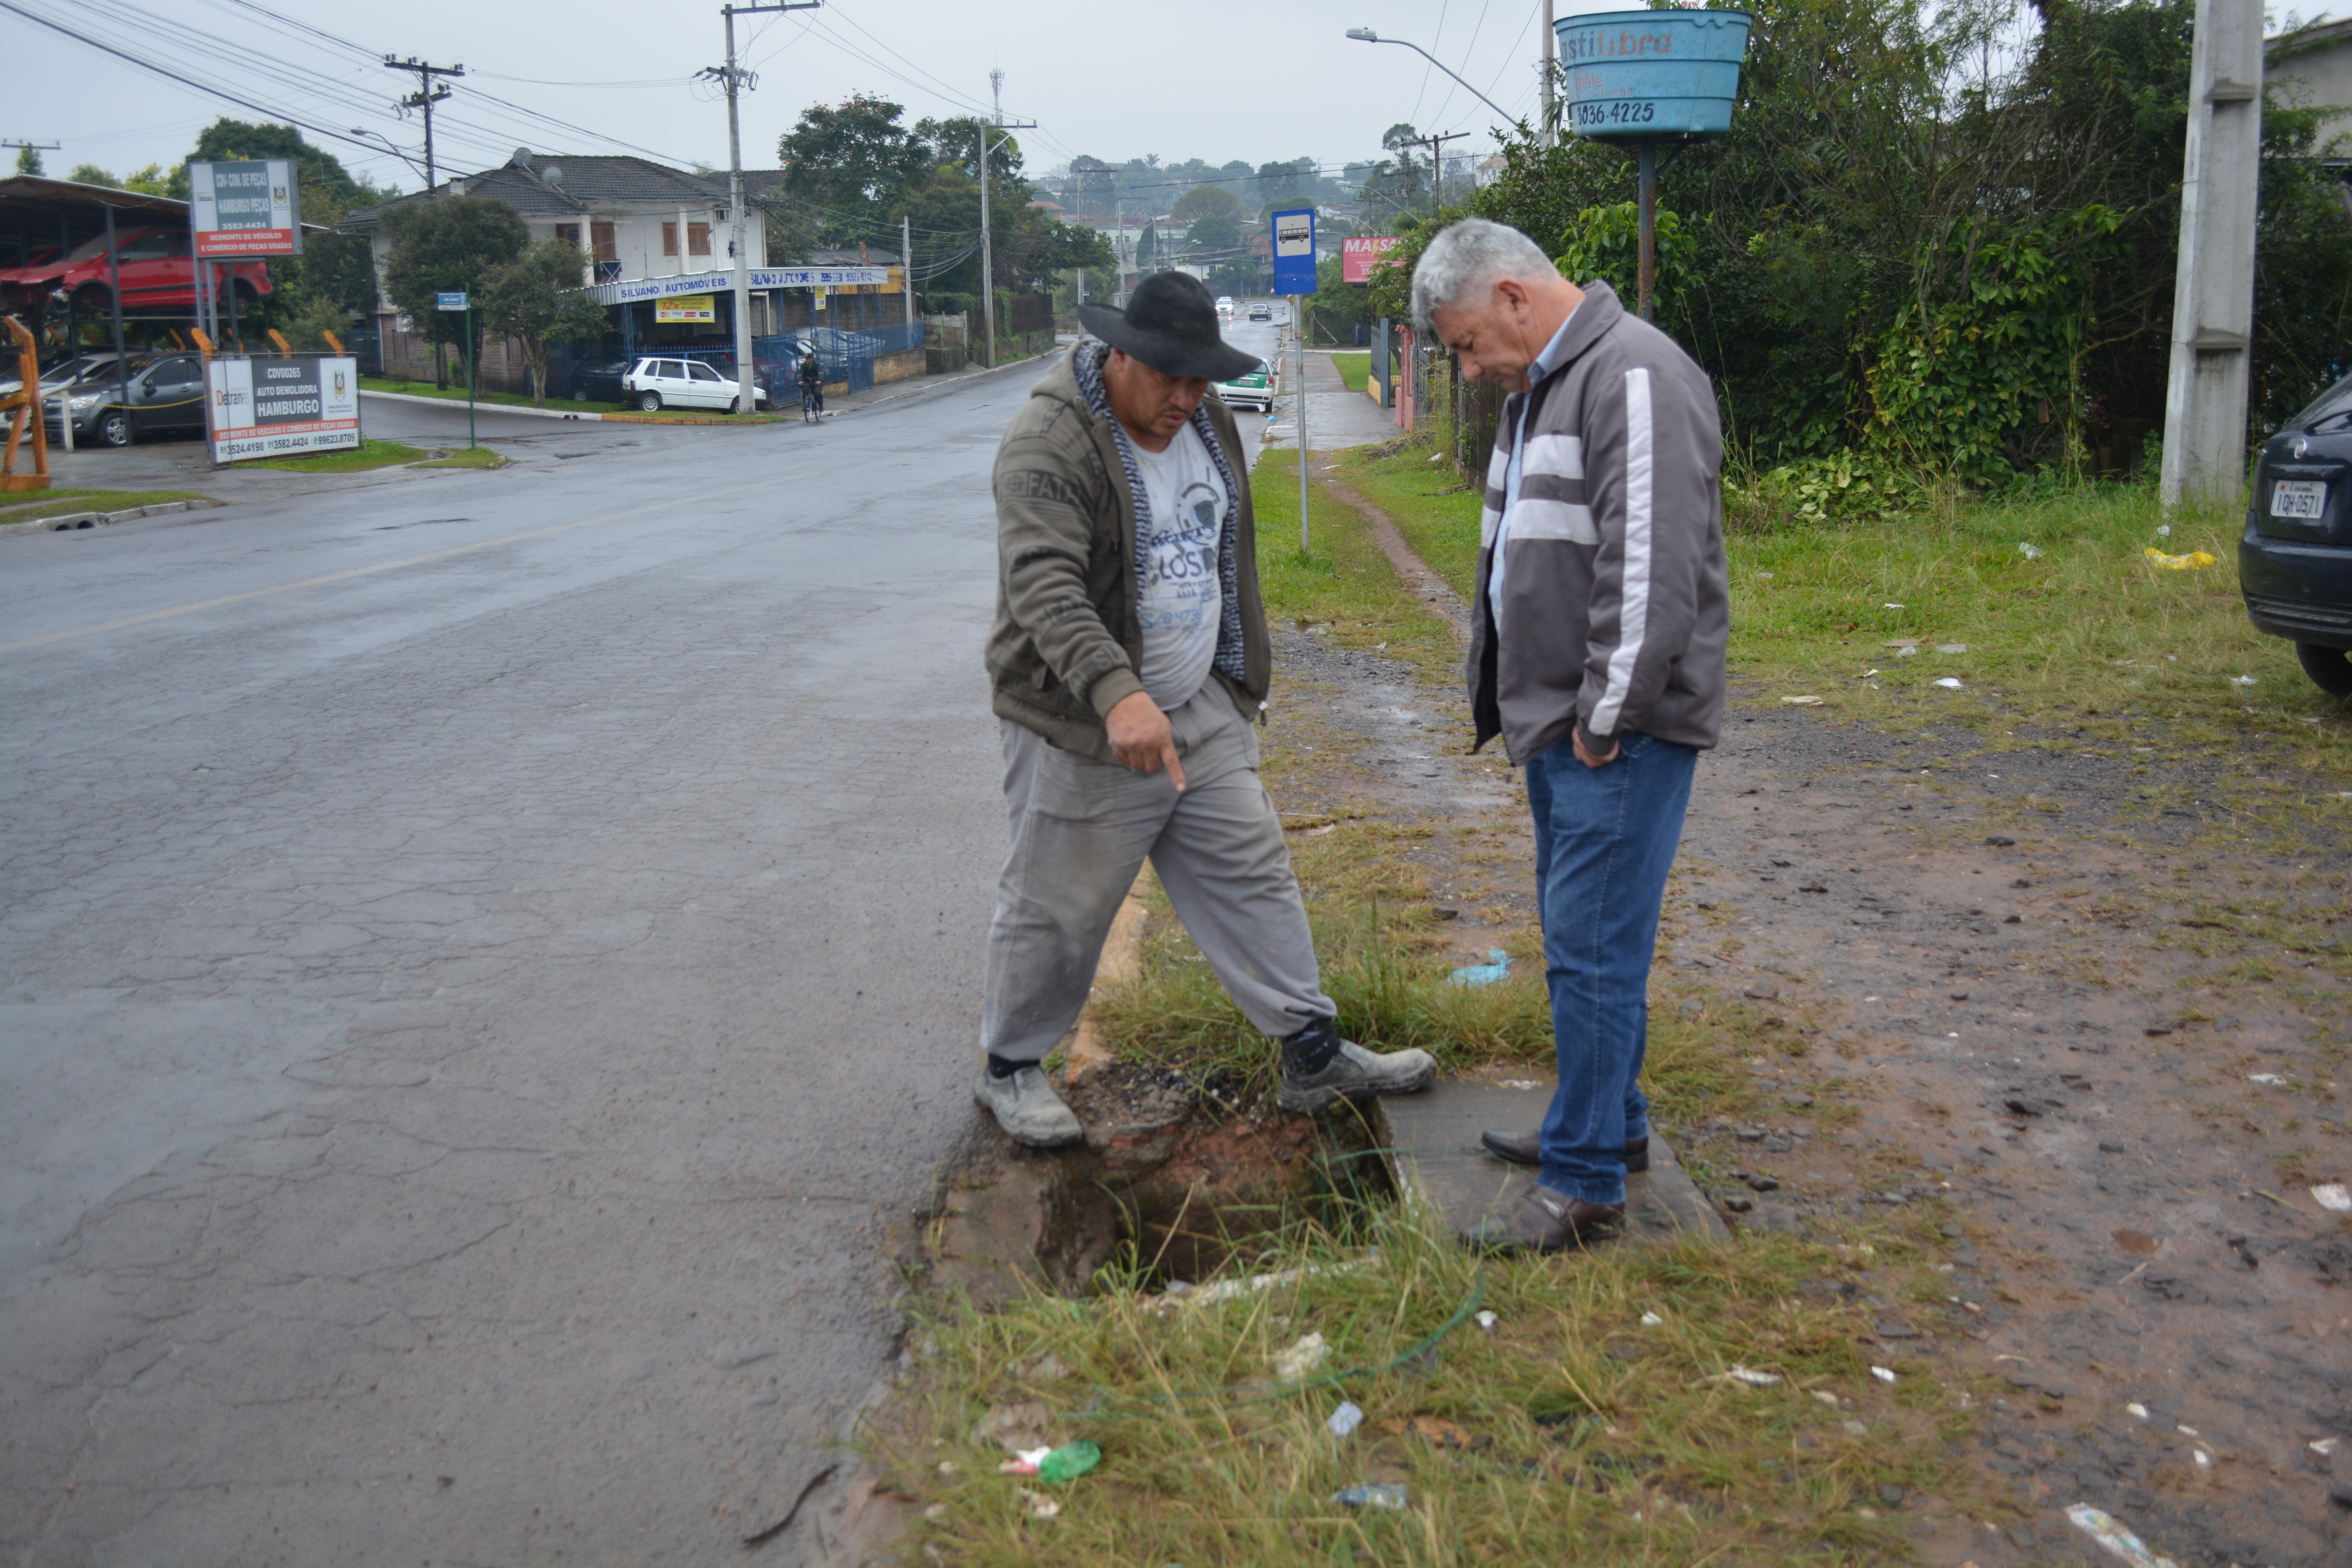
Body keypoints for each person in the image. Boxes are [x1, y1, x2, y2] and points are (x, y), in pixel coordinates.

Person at [975, 271, 1437, 1147]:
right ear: (1119, 355)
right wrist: (1120, 694)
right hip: (1084, 720)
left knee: (1252, 872)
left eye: (1201, 379)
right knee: (1060, 905)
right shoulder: (1049, 442)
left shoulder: (1207, 416)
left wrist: (1230, 682)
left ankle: (1311, 1050)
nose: (1185, 397)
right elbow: (1045, 587)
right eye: (1168, 378)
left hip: (1203, 701)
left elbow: (1222, 546)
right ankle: (1009, 1067)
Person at [1410, 218, 1728, 1253]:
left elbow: (1652, 567)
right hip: (1560, 724)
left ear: (1512, 296)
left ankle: (1586, 1178)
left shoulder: (1632, 374)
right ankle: (1611, 1124)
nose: (1466, 366)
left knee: (1592, 953)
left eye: (1464, 343)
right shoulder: (1543, 385)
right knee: (1582, 944)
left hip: (1611, 734)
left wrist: (1604, 718)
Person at [797, 351, 824, 416]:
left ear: (811, 359)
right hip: (808, 382)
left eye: (808, 359)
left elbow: (821, 373)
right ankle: (806, 407)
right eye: (806, 359)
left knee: (817, 393)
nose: (806, 361)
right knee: (805, 392)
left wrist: (820, 380)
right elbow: (800, 373)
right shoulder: (804, 366)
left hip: (817, 382)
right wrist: (800, 381)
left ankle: (821, 406)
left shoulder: (818, 365)